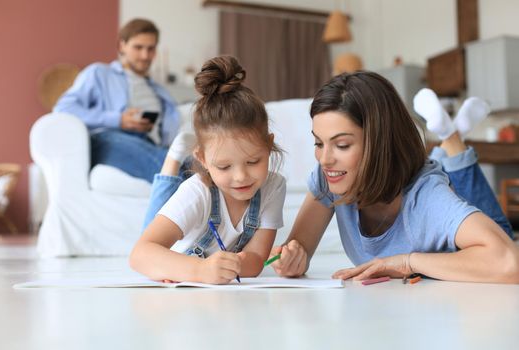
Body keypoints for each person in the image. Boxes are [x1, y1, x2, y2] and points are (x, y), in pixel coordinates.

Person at [270, 71, 519, 284]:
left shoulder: (426, 198)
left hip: (468, 273)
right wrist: (292, 261)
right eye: (318, 142)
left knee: (500, 230)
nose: (324, 159)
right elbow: (299, 251)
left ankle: (452, 139)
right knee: (442, 166)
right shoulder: (330, 178)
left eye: (342, 145)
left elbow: (509, 263)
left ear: (380, 143)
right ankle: (449, 139)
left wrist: (408, 262)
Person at [129, 56, 286, 284]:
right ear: (202, 158)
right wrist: (201, 270)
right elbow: (139, 255)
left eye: (253, 161)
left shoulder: (274, 186)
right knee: (152, 221)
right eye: (224, 166)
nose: (241, 176)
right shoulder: (196, 192)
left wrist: (238, 263)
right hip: (181, 262)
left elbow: (257, 259)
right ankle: (173, 159)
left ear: (269, 146)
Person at [54, 18, 188, 182]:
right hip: (109, 138)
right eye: (138, 47)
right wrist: (118, 120)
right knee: (184, 171)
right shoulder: (99, 73)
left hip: (150, 144)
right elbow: (63, 109)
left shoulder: (159, 91)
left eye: (150, 49)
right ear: (121, 46)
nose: (145, 56)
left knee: (190, 162)